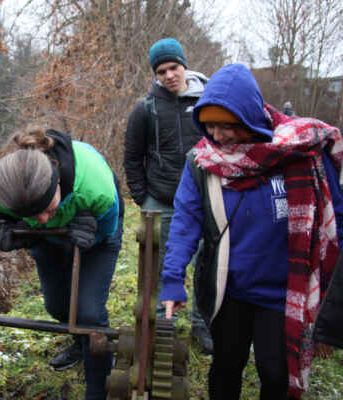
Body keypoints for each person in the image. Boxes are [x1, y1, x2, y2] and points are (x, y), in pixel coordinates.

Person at [159, 63, 343, 399]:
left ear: (249, 118)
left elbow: (335, 218)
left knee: (275, 373)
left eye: (226, 125)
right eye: (209, 125)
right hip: (231, 290)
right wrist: (172, 278)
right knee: (226, 364)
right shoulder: (203, 163)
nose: (216, 135)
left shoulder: (301, 153)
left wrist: (333, 299)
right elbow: (185, 222)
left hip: (284, 293)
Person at [0, 125, 123, 400]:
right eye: (34, 215)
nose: (44, 220)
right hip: (51, 239)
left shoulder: (95, 190)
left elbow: (106, 234)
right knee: (57, 306)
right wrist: (18, 236)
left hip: (97, 231)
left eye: (48, 208)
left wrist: (88, 233)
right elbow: (20, 227)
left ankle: (98, 381)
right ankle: (81, 343)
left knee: (89, 314)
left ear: (57, 182)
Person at [123, 37, 213, 353]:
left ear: (184, 65)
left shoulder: (208, 101)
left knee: (206, 265)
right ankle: (163, 324)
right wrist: (142, 197)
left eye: (173, 67)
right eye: (161, 71)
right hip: (162, 201)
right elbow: (132, 157)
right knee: (158, 266)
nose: (169, 75)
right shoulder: (146, 108)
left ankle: (203, 325)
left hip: (204, 202)